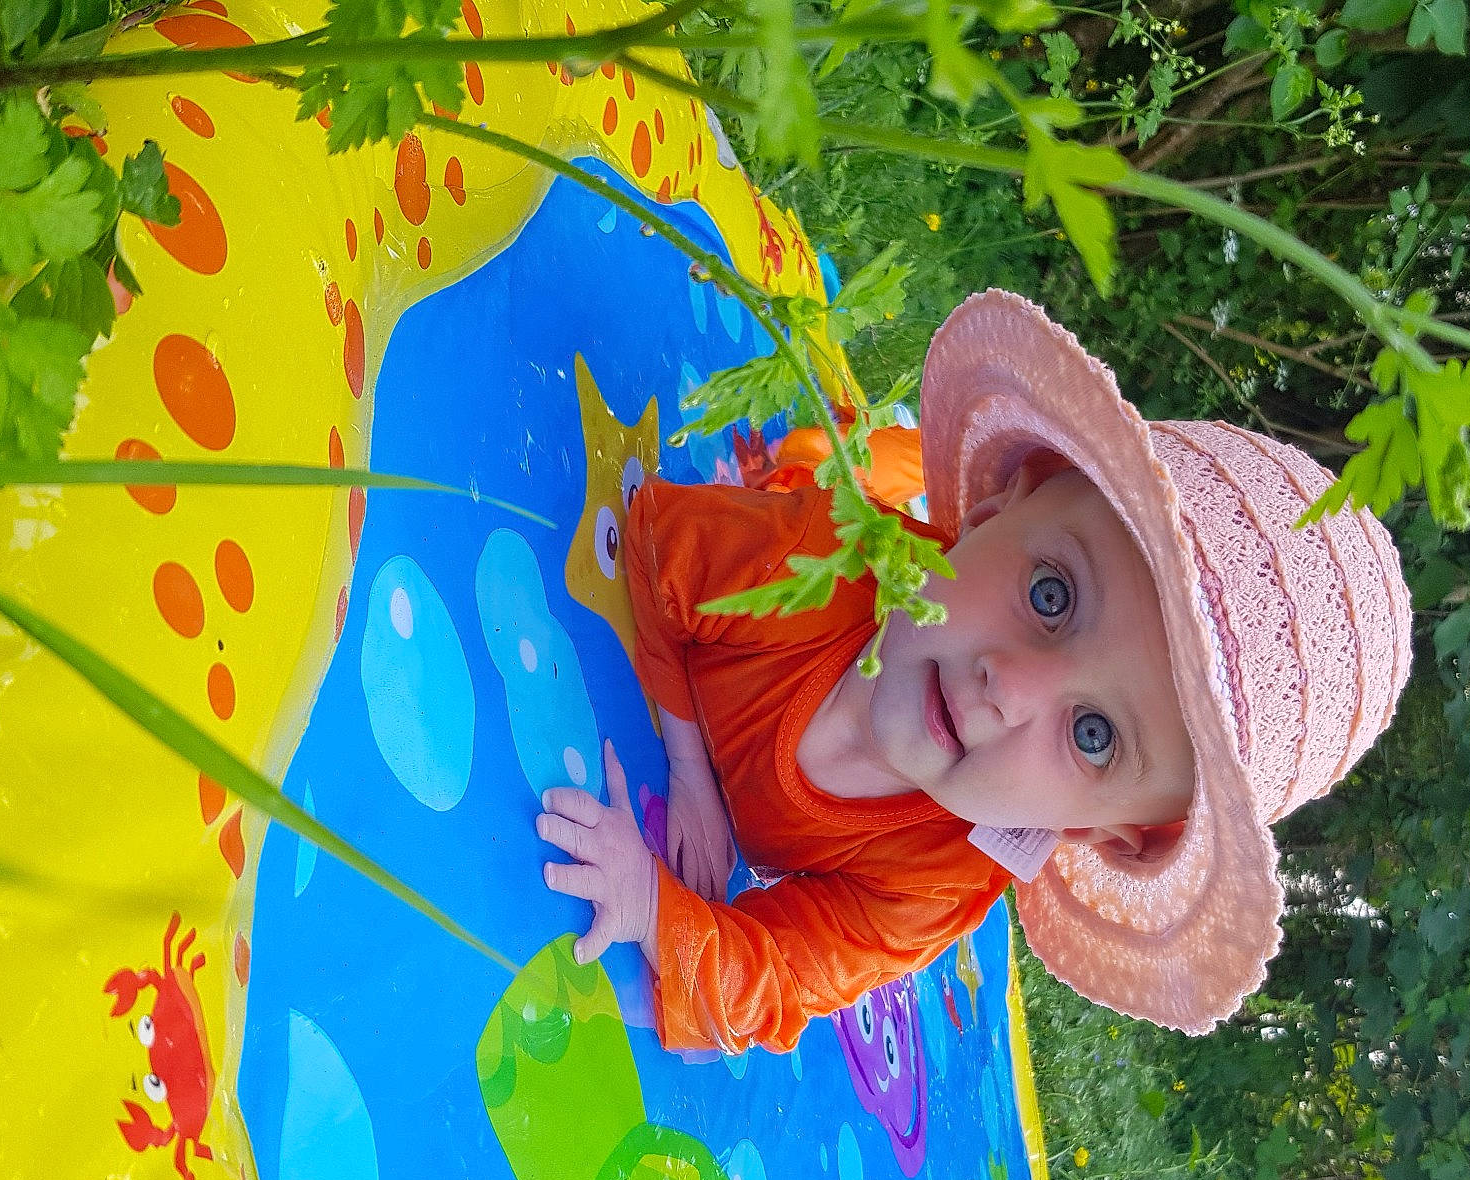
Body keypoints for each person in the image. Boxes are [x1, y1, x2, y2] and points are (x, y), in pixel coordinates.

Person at [536, 291, 1413, 1054]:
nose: (1010, 691)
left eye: (1093, 736)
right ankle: (853, 452)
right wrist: (689, 771)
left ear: (1105, 836)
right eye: (1051, 594)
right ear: (1005, 502)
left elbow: (785, 980)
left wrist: (656, 908)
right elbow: (652, 546)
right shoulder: (818, 555)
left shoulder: (943, 880)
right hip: (818, 515)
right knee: (814, 472)